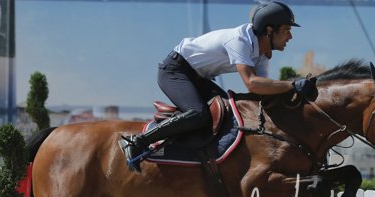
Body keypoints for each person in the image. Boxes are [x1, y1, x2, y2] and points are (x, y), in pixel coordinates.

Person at [119, 1, 317, 172]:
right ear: (269, 30)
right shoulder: (240, 40)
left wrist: (296, 99)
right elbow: (251, 83)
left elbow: (261, 93)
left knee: (230, 114)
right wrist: (292, 85)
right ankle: (138, 142)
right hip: (174, 71)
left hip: (196, 77)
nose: (290, 37)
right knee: (198, 114)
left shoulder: (263, 53)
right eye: (287, 30)